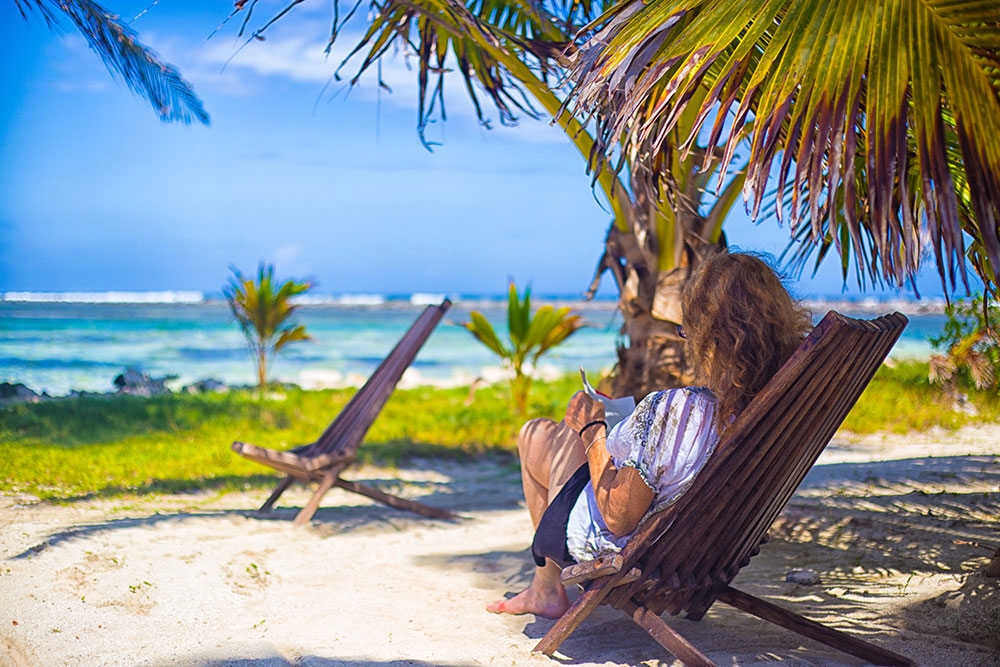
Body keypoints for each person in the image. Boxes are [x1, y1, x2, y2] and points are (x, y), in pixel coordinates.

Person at [486, 251, 813, 618]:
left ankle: (545, 589)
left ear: (710, 337)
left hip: (632, 545)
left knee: (538, 433)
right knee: (565, 435)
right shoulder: (775, 410)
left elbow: (618, 518)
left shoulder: (679, 411)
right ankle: (543, 589)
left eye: (687, 330)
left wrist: (593, 430)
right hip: (705, 548)